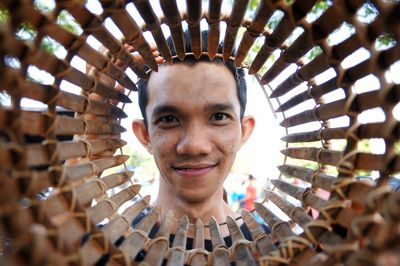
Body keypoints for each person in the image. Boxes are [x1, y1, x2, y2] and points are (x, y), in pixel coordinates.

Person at [87, 31, 269, 257]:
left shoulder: (277, 251)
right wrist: (84, 157)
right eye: (169, 119)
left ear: (244, 131)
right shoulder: (106, 246)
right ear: (145, 135)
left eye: (219, 117)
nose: (194, 145)